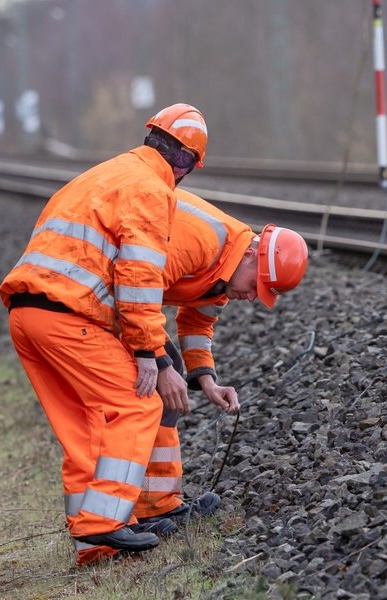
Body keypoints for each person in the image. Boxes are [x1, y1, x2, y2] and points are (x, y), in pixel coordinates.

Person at [0, 103, 208, 566]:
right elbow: (137, 278)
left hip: (26, 315)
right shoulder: (152, 190)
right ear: (186, 161)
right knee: (138, 403)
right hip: (68, 315)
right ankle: (105, 522)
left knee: (85, 427)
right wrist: (151, 351)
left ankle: (92, 547)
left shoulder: (107, 173)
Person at [132, 188, 309, 526]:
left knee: (164, 380)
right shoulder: (201, 241)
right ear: (252, 254)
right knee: (143, 388)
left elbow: (197, 319)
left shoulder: (226, 273)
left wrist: (207, 381)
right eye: (256, 285)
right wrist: (160, 362)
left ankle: (156, 506)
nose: (251, 297)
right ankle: (133, 510)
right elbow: (138, 288)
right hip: (107, 293)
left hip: (128, 303)